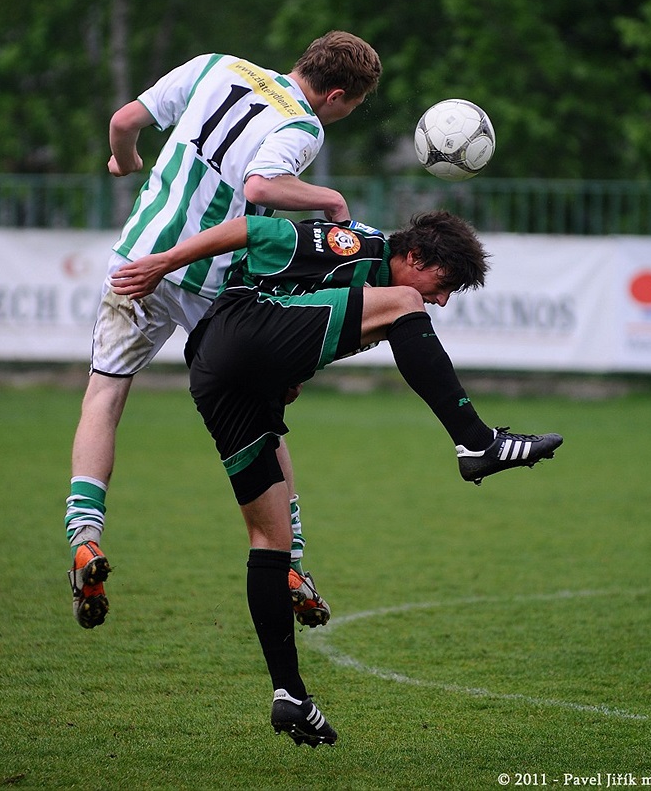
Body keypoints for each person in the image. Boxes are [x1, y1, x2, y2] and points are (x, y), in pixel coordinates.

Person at [110, 209, 564, 746]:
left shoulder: (376, 296)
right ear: (414, 255)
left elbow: (302, 312)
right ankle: (476, 441)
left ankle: (290, 695)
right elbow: (253, 231)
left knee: (271, 540)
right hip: (238, 330)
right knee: (405, 304)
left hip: (219, 379)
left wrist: (285, 373)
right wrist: (164, 263)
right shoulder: (358, 246)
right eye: (443, 285)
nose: (441, 301)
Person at [65, 31, 382, 630]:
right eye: (353, 107)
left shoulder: (216, 65)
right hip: (211, 285)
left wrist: (126, 161)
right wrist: (332, 200)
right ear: (337, 95)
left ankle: (85, 536)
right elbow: (261, 185)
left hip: (138, 258)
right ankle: (290, 560)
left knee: (104, 394)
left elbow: (123, 121)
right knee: (262, 416)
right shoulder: (302, 124)